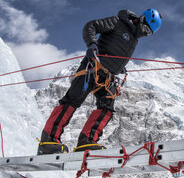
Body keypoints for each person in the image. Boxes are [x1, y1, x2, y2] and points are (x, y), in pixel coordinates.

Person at [37, 8, 162, 155]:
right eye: (145, 28)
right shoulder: (117, 22)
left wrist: (119, 68)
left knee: (107, 107)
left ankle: (87, 142)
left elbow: (116, 52)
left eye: (148, 33)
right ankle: (48, 140)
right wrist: (92, 44)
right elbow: (91, 26)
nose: (144, 33)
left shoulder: (134, 39)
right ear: (141, 19)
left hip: (108, 77)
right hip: (92, 67)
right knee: (73, 100)